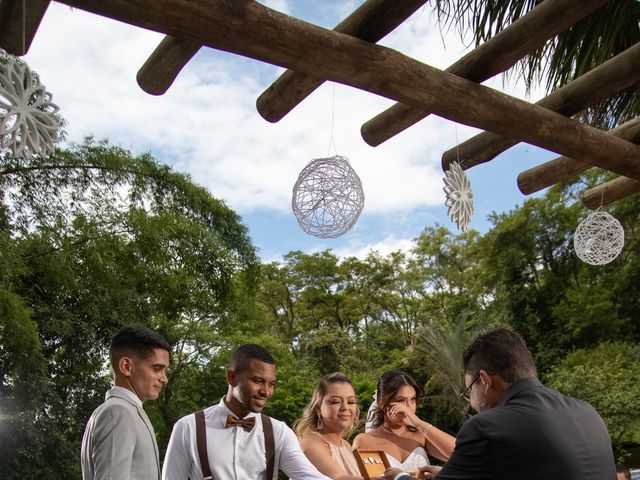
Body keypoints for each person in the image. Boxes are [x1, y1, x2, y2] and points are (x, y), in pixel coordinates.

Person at [383, 328, 617, 480]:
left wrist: (399, 478)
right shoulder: (588, 412)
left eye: (468, 390)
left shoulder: (487, 426)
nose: (471, 402)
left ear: (484, 381)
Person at [162, 343, 331, 480]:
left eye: (271, 384)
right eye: (258, 381)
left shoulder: (279, 432)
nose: (266, 391)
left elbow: (311, 477)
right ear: (232, 378)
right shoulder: (188, 427)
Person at [81, 324, 171, 480]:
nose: (164, 379)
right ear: (126, 366)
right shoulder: (118, 413)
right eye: (157, 368)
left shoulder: (123, 411)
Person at [352, 371, 455, 475]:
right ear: (381, 402)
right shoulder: (364, 441)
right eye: (401, 400)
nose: (408, 408)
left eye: (412, 399)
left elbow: (463, 453)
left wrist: (419, 424)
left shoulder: (420, 435)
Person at [294, 372, 363, 479]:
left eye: (351, 401)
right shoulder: (311, 444)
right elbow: (340, 478)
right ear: (318, 408)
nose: (345, 407)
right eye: (335, 401)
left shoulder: (346, 445)